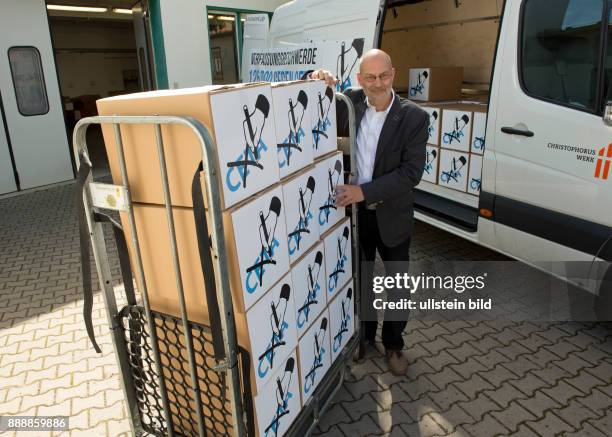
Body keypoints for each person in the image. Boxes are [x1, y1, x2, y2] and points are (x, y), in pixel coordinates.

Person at [309, 49, 428, 376]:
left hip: (392, 214)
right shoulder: (348, 102)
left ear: (394, 73)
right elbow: (311, 103)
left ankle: (393, 344)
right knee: (360, 278)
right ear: (360, 79)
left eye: (384, 76)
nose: (378, 84)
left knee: (398, 283)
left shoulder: (414, 117)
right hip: (356, 215)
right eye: (370, 78)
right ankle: (363, 337)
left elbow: (411, 173)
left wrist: (365, 190)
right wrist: (317, 77)